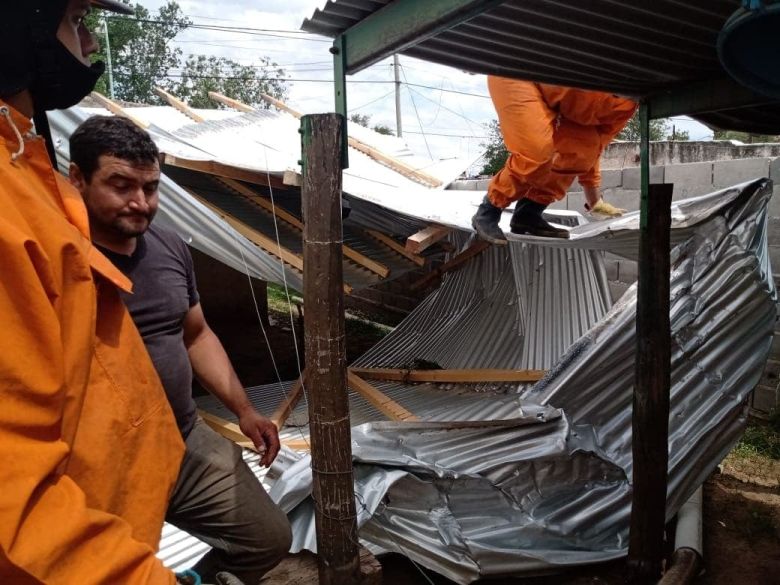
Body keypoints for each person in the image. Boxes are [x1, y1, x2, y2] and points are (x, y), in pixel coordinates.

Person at [0, 1, 187, 583]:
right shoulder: (9, 202)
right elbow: (15, 497)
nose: (90, 44)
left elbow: (195, 331)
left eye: (150, 187)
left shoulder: (29, 173)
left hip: (131, 498)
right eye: (77, 18)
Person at [68, 115, 293, 584]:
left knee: (268, 540)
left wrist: (245, 411)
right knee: (105, 569)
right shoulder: (56, 256)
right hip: (98, 456)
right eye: (121, 185)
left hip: (182, 436)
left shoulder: (168, 246)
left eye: (150, 188)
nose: (140, 202)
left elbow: (195, 334)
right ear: (77, 178)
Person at [472, 76, 637, 242]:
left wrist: (595, 202)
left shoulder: (628, 105)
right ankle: (489, 210)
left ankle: (528, 214)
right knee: (536, 153)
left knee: (579, 154)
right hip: (518, 73)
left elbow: (595, 147)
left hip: (560, 103)